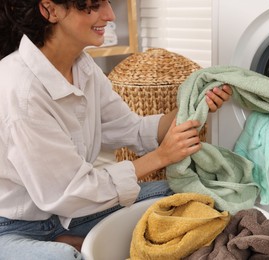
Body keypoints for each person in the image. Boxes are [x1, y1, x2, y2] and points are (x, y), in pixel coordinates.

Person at [0, 0, 233, 259]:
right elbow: (71, 192)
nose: (110, 15)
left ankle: (73, 239)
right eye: (94, 5)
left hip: (69, 214)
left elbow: (133, 129)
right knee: (65, 257)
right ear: (50, 10)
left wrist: (194, 105)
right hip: (13, 227)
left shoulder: (83, 68)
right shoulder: (22, 93)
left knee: (187, 196)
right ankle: (68, 245)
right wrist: (161, 157)